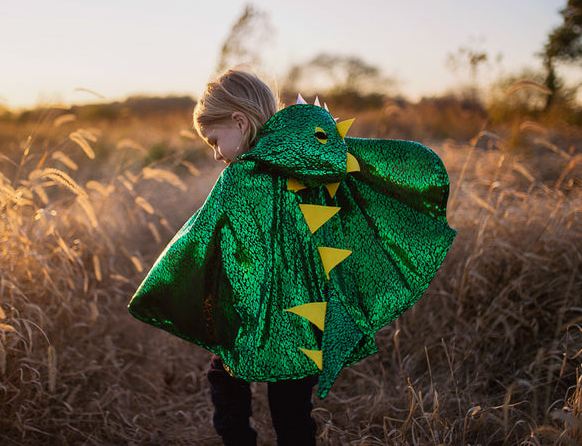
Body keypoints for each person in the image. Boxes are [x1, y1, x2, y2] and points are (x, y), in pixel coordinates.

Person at [128, 69, 456, 445]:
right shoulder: (314, 165)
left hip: (250, 317)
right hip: (306, 322)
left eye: (215, 141)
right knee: (293, 412)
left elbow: (200, 239)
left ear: (239, 121)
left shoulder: (238, 179)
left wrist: (163, 289)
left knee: (225, 380)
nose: (216, 154)